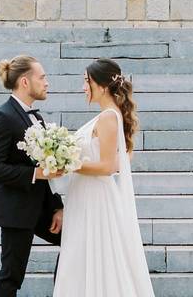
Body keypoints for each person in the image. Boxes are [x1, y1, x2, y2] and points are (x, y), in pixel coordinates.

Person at [52, 58, 156, 297]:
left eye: (86, 81)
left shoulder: (109, 117)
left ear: (102, 85)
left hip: (95, 199)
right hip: (86, 197)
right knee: (83, 259)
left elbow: (109, 166)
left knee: (96, 258)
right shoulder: (106, 116)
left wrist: (69, 163)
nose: (83, 87)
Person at [0, 55, 65, 297]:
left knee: (76, 241)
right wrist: (35, 173)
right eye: (42, 77)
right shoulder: (1, 117)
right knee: (11, 276)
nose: (47, 82)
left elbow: (45, 167)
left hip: (41, 207)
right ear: (25, 82)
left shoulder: (36, 118)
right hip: (16, 210)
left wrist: (57, 207)